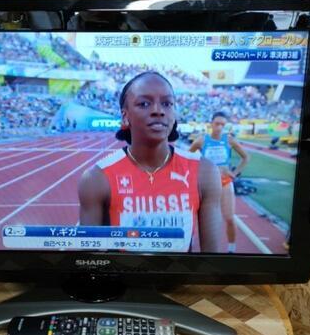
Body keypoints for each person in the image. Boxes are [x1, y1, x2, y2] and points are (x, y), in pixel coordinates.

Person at [78, 72, 222, 253]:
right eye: (144, 104)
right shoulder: (97, 178)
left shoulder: (204, 172)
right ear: (125, 117)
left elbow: (212, 258)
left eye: (167, 103)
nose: (158, 111)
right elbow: (90, 259)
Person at [189, 112, 249, 253]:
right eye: (217, 124)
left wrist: (235, 173)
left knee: (229, 218)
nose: (220, 127)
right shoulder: (201, 140)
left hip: (225, 182)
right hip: (207, 185)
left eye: (223, 124)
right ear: (211, 123)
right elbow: (188, 158)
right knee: (199, 219)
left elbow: (246, 157)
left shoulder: (229, 140)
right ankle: (191, 243)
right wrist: (196, 173)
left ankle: (231, 249)